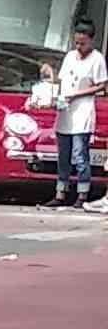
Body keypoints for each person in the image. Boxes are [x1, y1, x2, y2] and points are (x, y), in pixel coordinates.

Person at [57, 17, 107, 206]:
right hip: (65, 112)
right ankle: (60, 191)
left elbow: (101, 85)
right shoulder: (70, 57)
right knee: (63, 155)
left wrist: (78, 94)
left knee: (79, 154)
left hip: (83, 112)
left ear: (91, 41)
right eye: (76, 43)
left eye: (83, 43)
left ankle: (82, 193)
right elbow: (61, 80)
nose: (79, 47)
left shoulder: (97, 59)